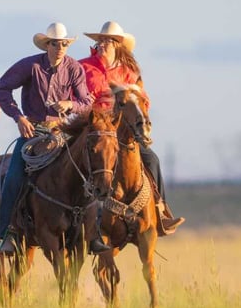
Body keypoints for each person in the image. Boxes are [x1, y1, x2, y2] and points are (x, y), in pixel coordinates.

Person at [78, 21, 184, 246]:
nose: (104, 44)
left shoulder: (129, 72)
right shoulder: (83, 67)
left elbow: (144, 100)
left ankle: (160, 211)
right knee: (79, 161)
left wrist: (137, 112)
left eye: (110, 40)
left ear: (119, 45)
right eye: (101, 40)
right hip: (94, 130)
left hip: (124, 132)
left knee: (151, 159)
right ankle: (75, 216)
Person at [0, 22, 94, 257]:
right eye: (55, 43)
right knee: (13, 177)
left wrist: (70, 104)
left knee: (90, 171)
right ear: (46, 45)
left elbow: (86, 102)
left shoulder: (74, 69)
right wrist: (19, 117)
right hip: (33, 132)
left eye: (64, 44)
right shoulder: (30, 66)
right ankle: (6, 232)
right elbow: (3, 89)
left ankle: (92, 230)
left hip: (61, 132)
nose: (60, 47)